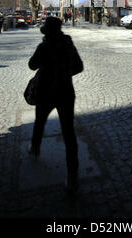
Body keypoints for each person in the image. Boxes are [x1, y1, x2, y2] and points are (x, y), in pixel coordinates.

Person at [28, 16, 84, 193]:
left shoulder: (44, 46)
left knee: (39, 122)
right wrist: (65, 74)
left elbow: (31, 65)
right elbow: (79, 66)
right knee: (69, 133)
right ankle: (72, 176)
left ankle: (35, 147)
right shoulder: (68, 43)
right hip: (66, 91)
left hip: (46, 92)